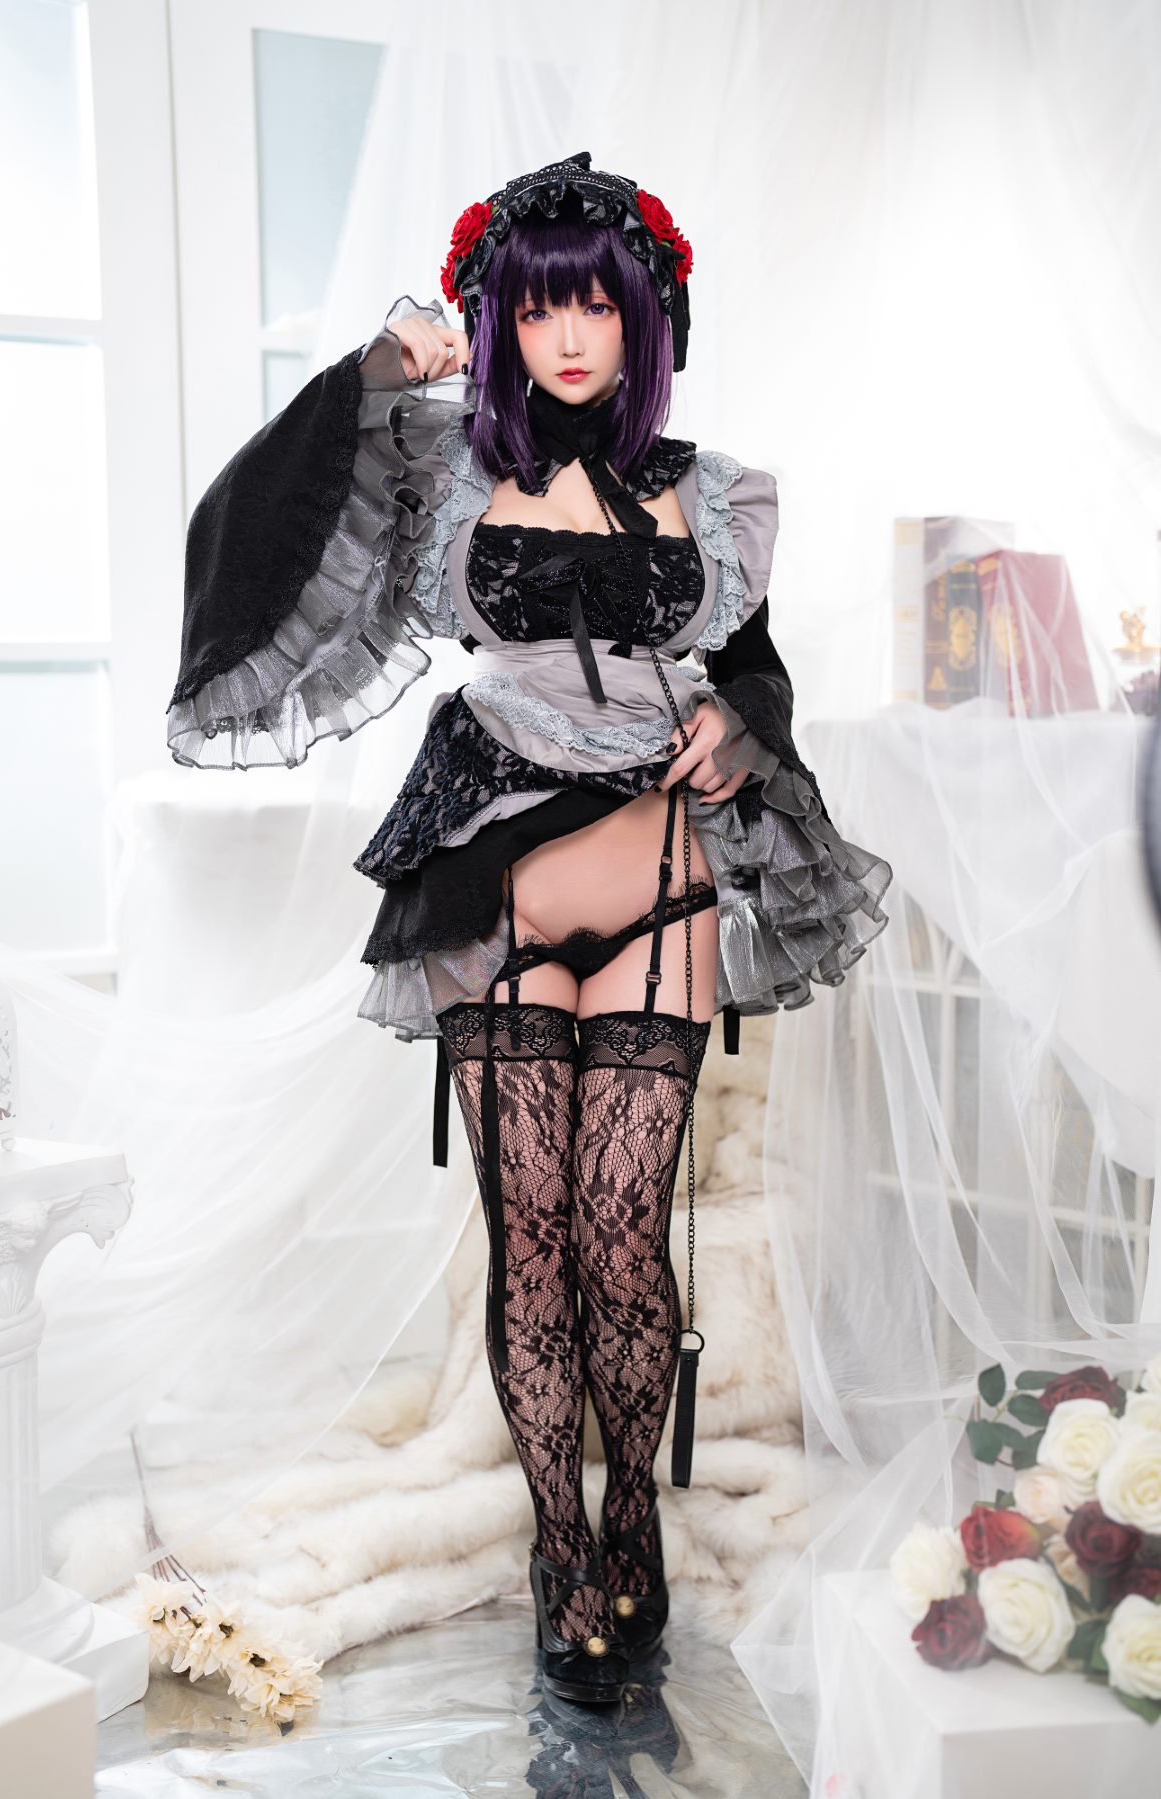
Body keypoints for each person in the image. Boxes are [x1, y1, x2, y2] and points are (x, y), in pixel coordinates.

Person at [167, 150, 893, 1707]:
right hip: (491, 888)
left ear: (645, 321)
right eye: (542, 308)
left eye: (599, 308)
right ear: (500, 320)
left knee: (624, 1232)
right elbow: (252, 523)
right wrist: (376, 370)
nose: (571, 337)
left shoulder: (711, 491)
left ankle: (634, 1522)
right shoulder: (442, 462)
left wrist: (741, 729)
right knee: (536, 1239)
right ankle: (564, 1546)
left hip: (657, 883)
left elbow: (755, 669)